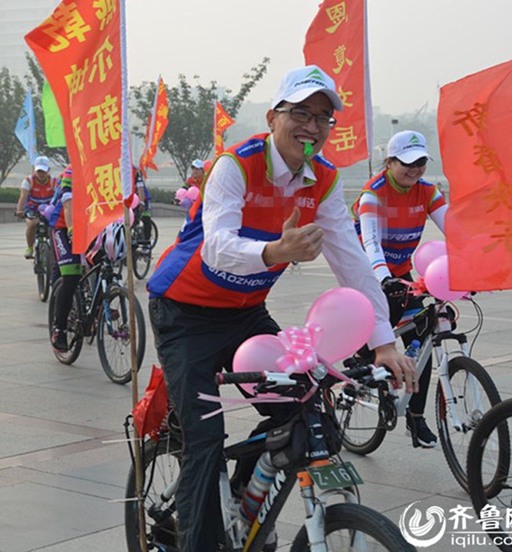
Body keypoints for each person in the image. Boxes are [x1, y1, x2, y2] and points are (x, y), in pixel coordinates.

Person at [146, 65, 417, 552]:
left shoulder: (326, 181)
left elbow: (352, 263)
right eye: (300, 113)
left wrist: (383, 343)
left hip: (245, 313)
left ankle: (243, 500)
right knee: (205, 443)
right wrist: (273, 252)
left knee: (304, 411)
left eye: (323, 118)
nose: (311, 127)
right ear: (273, 117)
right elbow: (217, 246)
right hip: (183, 314)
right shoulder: (235, 165)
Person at [351, 130, 448, 448]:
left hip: (401, 272)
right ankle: (359, 364)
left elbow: (454, 228)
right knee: (383, 329)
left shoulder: (428, 191)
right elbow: (371, 243)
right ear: (389, 162)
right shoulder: (373, 193)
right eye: (406, 162)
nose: (415, 168)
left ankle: (416, 419)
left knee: (422, 335)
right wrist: (382, 278)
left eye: (420, 161)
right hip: (369, 271)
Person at [49, 164, 78, 352]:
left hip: (91, 227)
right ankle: (59, 329)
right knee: (71, 277)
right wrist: (71, 230)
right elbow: (68, 204)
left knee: (104, 265)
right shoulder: (71, 170)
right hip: (64, 227)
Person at [16, 155, 55, 259]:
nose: (41, 174)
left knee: (53, 227)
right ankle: (30, 247)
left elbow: (59, 197)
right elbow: (23, 197)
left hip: (48, 209)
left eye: (44, 171)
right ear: (35, 170)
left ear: (48, 170)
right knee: (31, 224)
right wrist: (19, 210)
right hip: (32, 208)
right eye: (39, 171)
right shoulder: (28, 181)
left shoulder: (54, 181)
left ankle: (52, 248)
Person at [134, 166, 154, 244]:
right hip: (132, 200)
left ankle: (147, 242)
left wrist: (141, 202)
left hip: (144, 198)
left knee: (146, 218)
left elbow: (140, 187)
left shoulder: (136, 171)